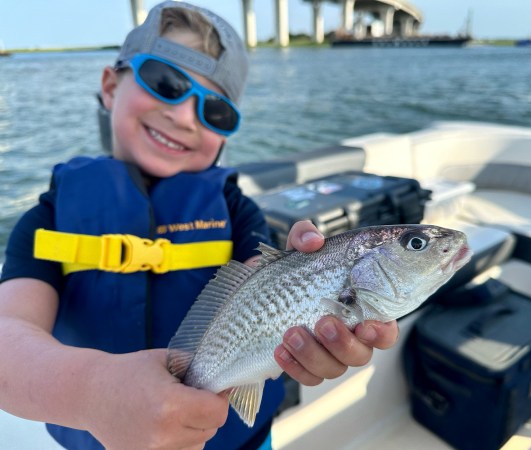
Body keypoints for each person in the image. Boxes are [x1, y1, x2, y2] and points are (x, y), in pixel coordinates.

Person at [0, 2, 398, 449]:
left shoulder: (238, 212)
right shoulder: (48, 219)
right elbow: (6, 340)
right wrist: (93, 392)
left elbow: (267, 283)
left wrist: (315, 300)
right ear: (111, 86)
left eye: (216, 111)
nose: (186, 117)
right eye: (165, 82)